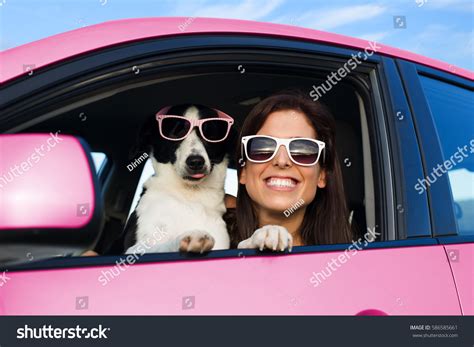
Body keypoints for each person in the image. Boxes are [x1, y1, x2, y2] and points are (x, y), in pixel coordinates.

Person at [228, 91, 353, 251]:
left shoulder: (350, 260)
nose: (281, 161)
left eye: (302, 150)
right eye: (263, 147)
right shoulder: (207, 238)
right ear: (243, 171)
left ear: (321, 175)